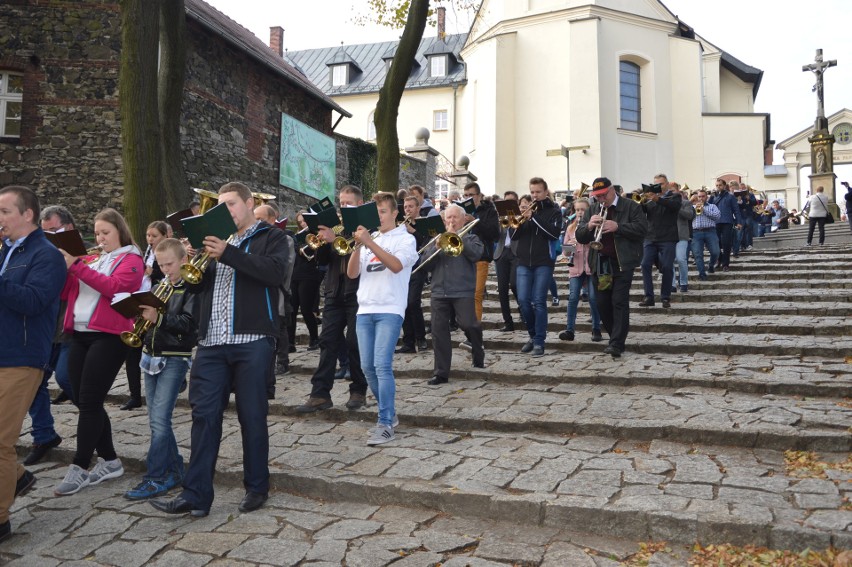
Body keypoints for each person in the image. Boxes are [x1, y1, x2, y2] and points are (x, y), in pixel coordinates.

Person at [150, 182, 289, 517]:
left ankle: (256, 487)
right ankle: (196, 495)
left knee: (252, 416)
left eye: (231, 204)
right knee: (203, 417)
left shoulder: (273, 238)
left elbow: (274, 273)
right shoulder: (211, 245)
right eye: (220, 206)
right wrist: (194, 265)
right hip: (211, 343)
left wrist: (228, 253)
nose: (226, 211)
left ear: (249, 202)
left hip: (252, 341)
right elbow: (197, 289)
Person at [54, 208, 145, 496]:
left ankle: (80, 466)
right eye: (96, 233)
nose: (100, 238)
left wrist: (78, 267)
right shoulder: (92, 259)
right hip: (78, 334)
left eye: (106, 232)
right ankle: (110, 460)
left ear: (120, 231)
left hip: (108, 337)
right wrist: (64, 268)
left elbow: (116, 288)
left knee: (91, 401)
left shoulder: (132, 259)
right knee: (84, 402)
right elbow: (66, 292)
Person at [0, 186, 66, 543]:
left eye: (5, 211)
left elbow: (34, 301)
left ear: (27, 214)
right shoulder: (6, 252)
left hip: (21, 357)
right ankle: (19, 476)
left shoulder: (47, 255)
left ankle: (0, 520)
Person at [124, 238, 197, 500]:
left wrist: (159, 318)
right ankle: (175, 469)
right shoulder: (158, 286)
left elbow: (189, 325)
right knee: (156, 421)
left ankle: (154, 477)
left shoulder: (191, 288)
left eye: (170, 264)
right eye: (161, 264)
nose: (165, 269)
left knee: (160, 420)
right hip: (151, 356)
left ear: (183, 260)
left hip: (174, 358)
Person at [347, 191, 418, 445]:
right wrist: (358, 246)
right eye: (376, 213)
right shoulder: (370, 239)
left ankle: (385, 422)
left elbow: (397, 266)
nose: (380, 217)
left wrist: (370, 242)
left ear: (395, 213)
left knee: (382, 365)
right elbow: (352, 274)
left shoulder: (404, 239)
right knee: (367, 367)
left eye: (384, 212)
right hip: (365, 308)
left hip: (390, 308)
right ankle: (389, 413)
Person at [295, 185, 371, 414]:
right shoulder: (336, 225)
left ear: (359, 204)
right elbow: (323, 261)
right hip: (333, 291)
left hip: (358, 292)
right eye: (341, 202)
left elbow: (359, 255)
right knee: (327, 342)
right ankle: (320, 394)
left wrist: (334, 238)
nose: (343, 206)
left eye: (347, 203)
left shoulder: (366, 228)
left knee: (354, 343)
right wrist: (324, 241)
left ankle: (358, 390)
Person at [21, 205, 78, 466]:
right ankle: (44, 435)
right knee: (33, 384)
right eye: (45, 232)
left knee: (67, 378)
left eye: (54, 230)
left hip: (71, 330)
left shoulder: (84, 255)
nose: (50, 237)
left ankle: (93, 418)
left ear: (69, 228)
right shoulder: (39, 254)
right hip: (45, 330)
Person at [575, 177, 648, 358]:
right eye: (597, 196)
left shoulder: (631, 206)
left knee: (619, 301)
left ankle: (616, 343)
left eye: (603, 195)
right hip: (601, 262)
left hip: (623, 261)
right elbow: (580, 236)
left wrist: (618, 227)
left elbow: (642, 230)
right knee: (602, 303)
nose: (601, 200)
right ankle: (614, 336)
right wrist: (589, 226)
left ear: (611, 190)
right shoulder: (592, 209)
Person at [423, 204, 485, 385]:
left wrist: (460, 239)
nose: (451, 221)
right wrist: (436, 247)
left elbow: (477, 254)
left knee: (469, 323)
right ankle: (441, 373)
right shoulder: (436, 239)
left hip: (462, 289)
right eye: (448, 218)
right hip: (439, 291)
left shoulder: (472, 237)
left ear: (463, 219)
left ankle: (477, 348)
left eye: (455, 218)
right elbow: (424, 264)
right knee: (439, 331)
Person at [121, 220, 170, 412]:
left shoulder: (168, 254)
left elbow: (168, 278)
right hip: (141, 303)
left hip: (158, 305)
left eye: (154, 236)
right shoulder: (147, 252)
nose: (150, 240)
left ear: (165, 236)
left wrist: (153, 271)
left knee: (159, 348)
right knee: (131, 352)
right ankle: (135, 395)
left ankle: (171, 386)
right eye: (148, 236)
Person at [512, 177, 563, 357]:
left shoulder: (554, 211)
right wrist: (520, 220)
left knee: (539, 301)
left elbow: (553, 233)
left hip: (544, 262)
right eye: (532, 192)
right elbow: (514, 237)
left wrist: (533, 217)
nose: (534, 195)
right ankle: (533, 336)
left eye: (538, 192)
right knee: (524, 301)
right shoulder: (526, 211)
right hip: (524, 262)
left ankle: (539, 342)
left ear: (545, 191)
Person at [254, 203, 294, 384]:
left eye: (260, 219)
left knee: (280, 326)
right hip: (258, 289)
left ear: (272, 219)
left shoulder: (284, 239)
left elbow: (285, 267)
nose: (256, 223)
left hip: (277, 289)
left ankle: (283, 361)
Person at [558, 197, 602, 342]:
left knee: (593, 298)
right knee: (572, 298)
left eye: (583, 210)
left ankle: (596, 329)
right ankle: (569, 330)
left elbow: (599, 246)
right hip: (575, 268)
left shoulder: (595, 227)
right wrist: (571, 245)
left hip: (591, 267)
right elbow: (565, 252)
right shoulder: (570, 228)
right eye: (577, 210)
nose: (580, 212)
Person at [638, 174, 681, 308]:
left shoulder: (674, 196)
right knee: (645, 264)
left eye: (661, 184)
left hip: (668, 238)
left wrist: (658, 199)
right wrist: (641, 202)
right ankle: (648, 297)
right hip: (650, 237)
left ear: (667, 184)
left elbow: (674, 207)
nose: (659, 186)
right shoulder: (650, 199)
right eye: (656, 184)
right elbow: (642, 212)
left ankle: (665, 297)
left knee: (667, 267)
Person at [461, 182, 500, 322]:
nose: (468, 198)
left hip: (481, 256)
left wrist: (475, 221)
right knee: (465, 296)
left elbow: (495, 234)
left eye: (471, 195)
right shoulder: (461, 211)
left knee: (476, 295)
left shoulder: (490, 211)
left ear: (479, 196)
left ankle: (474, 335)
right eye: (465, 195)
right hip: (463, 257)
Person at [396, 195, 429, 353]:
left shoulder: (423, 224)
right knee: (403, 304)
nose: (407, 209)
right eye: (405, 207)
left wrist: (413, 231)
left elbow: (427, 243)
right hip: (403, 268)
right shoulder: (399, 226)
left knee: (413, 302)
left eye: (410, 206)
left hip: (418, 267)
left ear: (418, 208)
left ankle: (421, 338)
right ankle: (408, 341)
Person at [288, 211, 323, 351]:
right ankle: (290, 343)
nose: (303, 223)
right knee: (292, 310)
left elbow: (316, 256)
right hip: (295, 274)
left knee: (306, 309)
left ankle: (314, 339)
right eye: (300, 222)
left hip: (309, 275)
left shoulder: (316, 234)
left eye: (305, 221)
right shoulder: (295, 236)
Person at [494, 190, 520, 331]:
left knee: (515, 285)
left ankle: (523, 310)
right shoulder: (499, 217)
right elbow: (495, 235)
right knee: (502, 289)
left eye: (511, 201)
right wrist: (500, 222)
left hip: (516, 253)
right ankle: (508, 322)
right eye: (506, 201)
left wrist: (514, 219)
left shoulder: (521, 216)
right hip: (501, 252)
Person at [709, 179, 742, 272]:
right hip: (715, 222)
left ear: (724, 186)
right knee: (716, 243)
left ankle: (725, 264)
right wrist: (710, 197)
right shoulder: (713, 197)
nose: (718, 187)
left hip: (727, 222)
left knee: (726, 243)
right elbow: (708, 207)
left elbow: (736, 210)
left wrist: (738, 222)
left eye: (720, 185)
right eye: (717, 185)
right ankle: (720, 259)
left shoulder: (730, 196)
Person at [689, 190, 721, 281]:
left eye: (703, 196)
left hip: (710, 231)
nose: (701, 198)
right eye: (699, 197)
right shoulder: (692, 207)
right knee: (698, 254)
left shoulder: (712, 206)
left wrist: (704, 210)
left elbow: (717, 217)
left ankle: (711, 265)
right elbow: (688, 218)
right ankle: (702, 274)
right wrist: (694, 210)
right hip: (696, 232)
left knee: (716, 252)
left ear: (707, 197)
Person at [670, 183, 695, 293]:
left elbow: (690, 216)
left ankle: (683, 283)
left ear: (678, 190)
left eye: (673, 190)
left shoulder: (685, 203)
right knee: (668, 261)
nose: (671, 192)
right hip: (668, 236)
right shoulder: (665, 203)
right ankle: (672, 285)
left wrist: (677, 208)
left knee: (681, 259)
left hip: (681, 235)